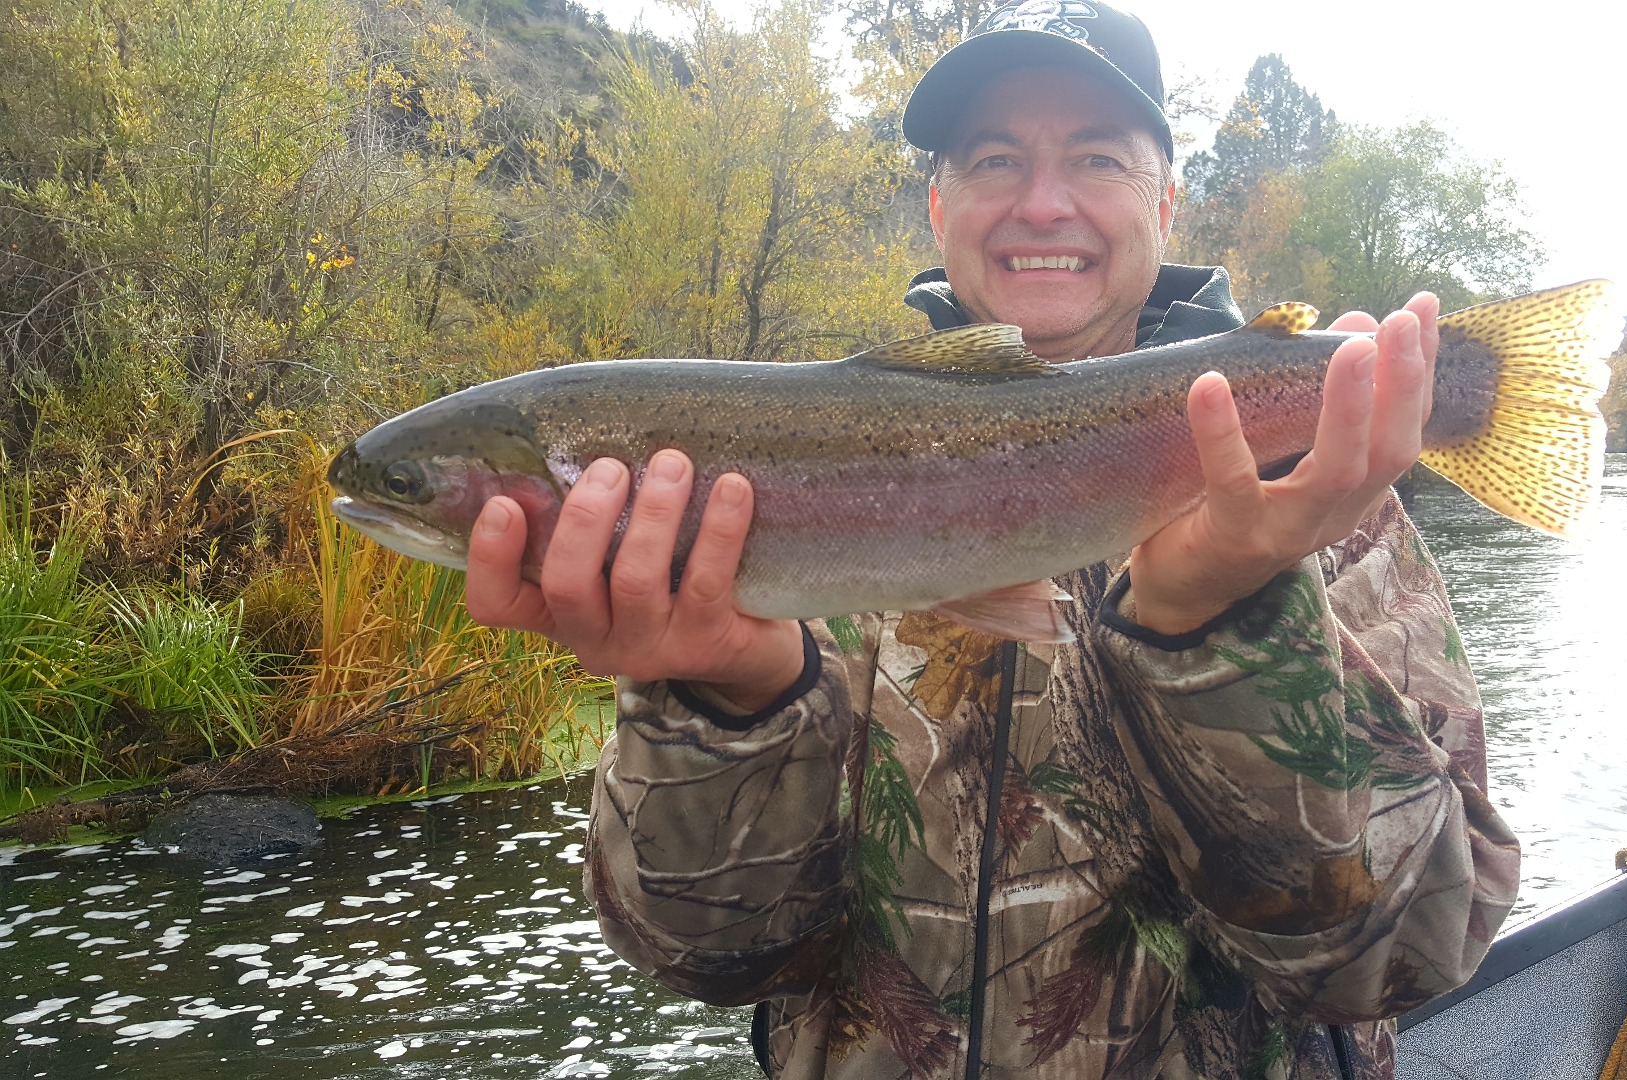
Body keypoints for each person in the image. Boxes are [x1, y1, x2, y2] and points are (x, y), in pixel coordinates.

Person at [464, 2, 1521, 1076]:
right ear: (938, 204)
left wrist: (1228, 626)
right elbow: (710, 960)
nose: (1042, 202)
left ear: (1167, 200)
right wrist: (728, 700)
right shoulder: (757, 495)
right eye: (995, 158)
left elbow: (1407, 961)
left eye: (1097, 157)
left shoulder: (1320, 498)